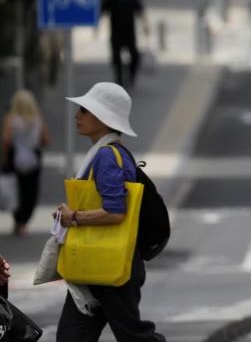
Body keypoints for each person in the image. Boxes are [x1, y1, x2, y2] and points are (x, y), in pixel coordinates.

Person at [55, 82, 164, 342]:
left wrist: (74, 217)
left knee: (134, 337)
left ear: (103, 118)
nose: (77, 115)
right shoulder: (106, 154)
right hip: (98, 264)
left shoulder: (106, 157)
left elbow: (116, 212)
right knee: (72, 337)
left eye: (84, 110)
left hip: (112, 265)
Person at [2, 89, 50, 236]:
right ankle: (23, 222)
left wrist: (4, 158)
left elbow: (6, 140)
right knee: (31, 192)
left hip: (15, 158)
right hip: (33, 159)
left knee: (17, 190)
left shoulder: (10, 119)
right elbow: (45, 140)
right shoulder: (37, 118)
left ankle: (18, 220)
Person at [101, 0, 149, 88]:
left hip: (129, 33)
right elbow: (102, 11)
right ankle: (119, 80)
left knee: (135, 56)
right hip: (116, 33)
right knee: (116, 58)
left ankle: (131, 76)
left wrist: (146, 25)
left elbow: (140, 11)